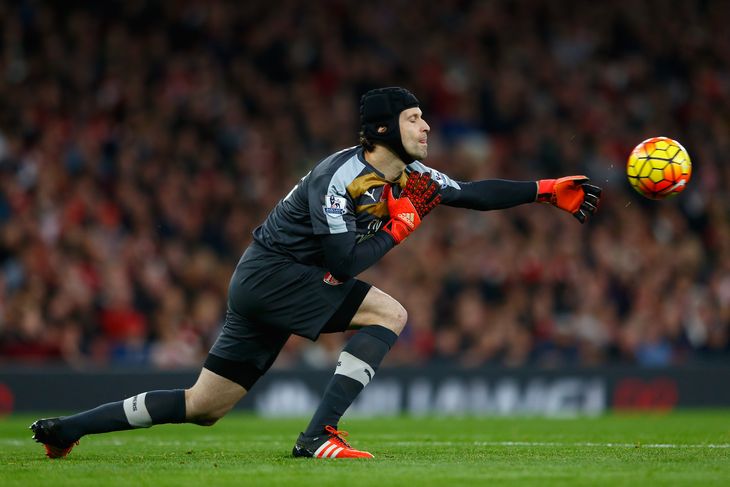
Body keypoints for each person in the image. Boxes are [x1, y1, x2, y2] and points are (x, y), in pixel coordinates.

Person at [30, 87, 601, 459]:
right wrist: (397, 229)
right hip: (275, 276)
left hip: (267, 282)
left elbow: (473, 193)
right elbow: (341, 262)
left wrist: (546, 191)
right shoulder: (338, 178)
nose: (426, 126)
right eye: (414, 117)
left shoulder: (410, 174)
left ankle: (68, 428)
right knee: (391, 312)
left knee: (204, 406)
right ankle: (317, 436)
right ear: (382, 130)